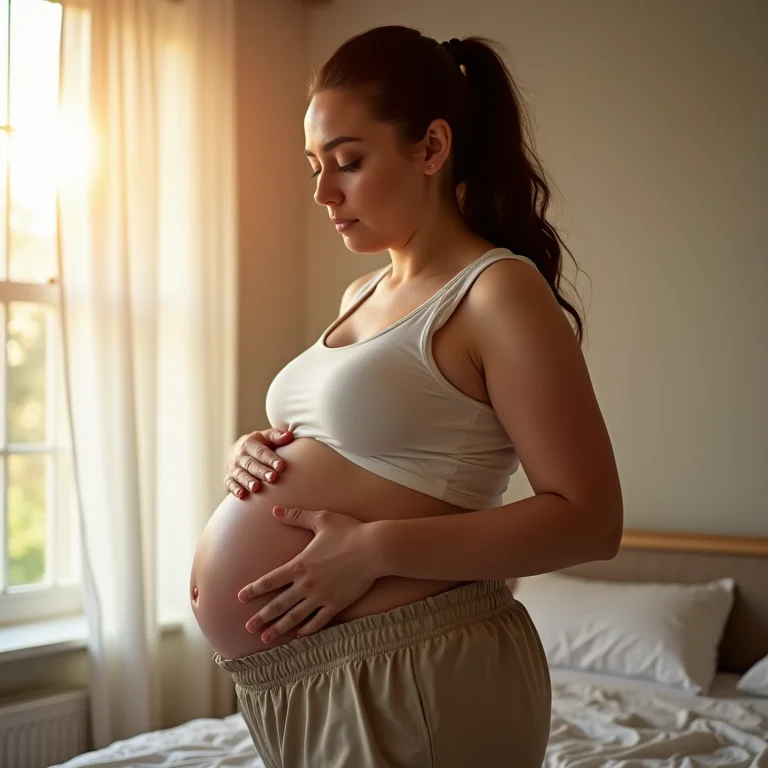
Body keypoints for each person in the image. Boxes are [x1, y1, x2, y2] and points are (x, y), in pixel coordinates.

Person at [190, 25, 623, 768]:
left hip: (415, 670)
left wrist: (376, 550)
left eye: (349, 162)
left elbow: (590, 521)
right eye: (314, 166)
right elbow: (356, 446)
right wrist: (254, 452)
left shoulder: (496, 290)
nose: (324, 192)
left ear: (431, 147)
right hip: (300, 681)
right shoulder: (362, 293)